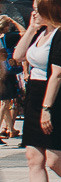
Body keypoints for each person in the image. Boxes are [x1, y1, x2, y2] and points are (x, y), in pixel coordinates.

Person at [10, 0, 61, 182]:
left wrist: (47, 108)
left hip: (55, 98)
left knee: (54, 160)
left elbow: (58, 73)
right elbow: (18, 56)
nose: (33, 13)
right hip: (34, 94)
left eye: (37, 10)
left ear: (49, 9)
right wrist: (30, 29)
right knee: (33, 158)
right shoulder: (41, 33)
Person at [1, 14, 21, 143]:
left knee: (6, 101)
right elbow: (23, 33)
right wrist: (14, 21)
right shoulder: (6, 38)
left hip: (2, 72)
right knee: (4, 102)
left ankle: (11, 128)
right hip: (3, 72)